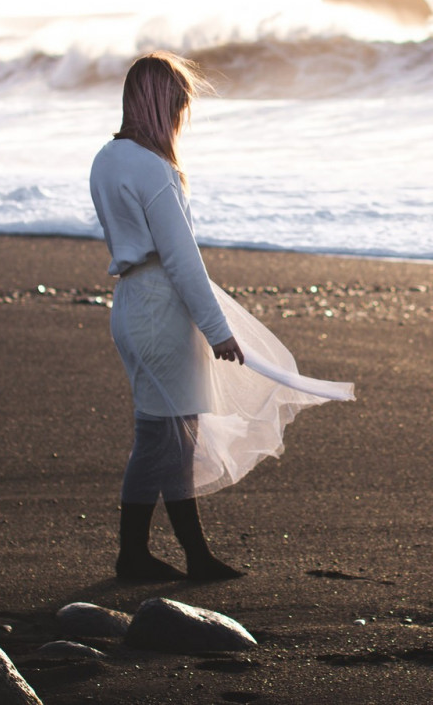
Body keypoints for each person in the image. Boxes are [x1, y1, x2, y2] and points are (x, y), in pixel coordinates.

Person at [90, 50, 355, 583]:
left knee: (167, 436)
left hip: (131, 307)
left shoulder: (106, 158)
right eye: (179, 104)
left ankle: (176, 555)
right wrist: (218, 331)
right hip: (163, 311)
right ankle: (151, 556)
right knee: (166, 438)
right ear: (161, 103)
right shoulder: (154, 167)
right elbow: (182, 259)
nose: (180, 117)